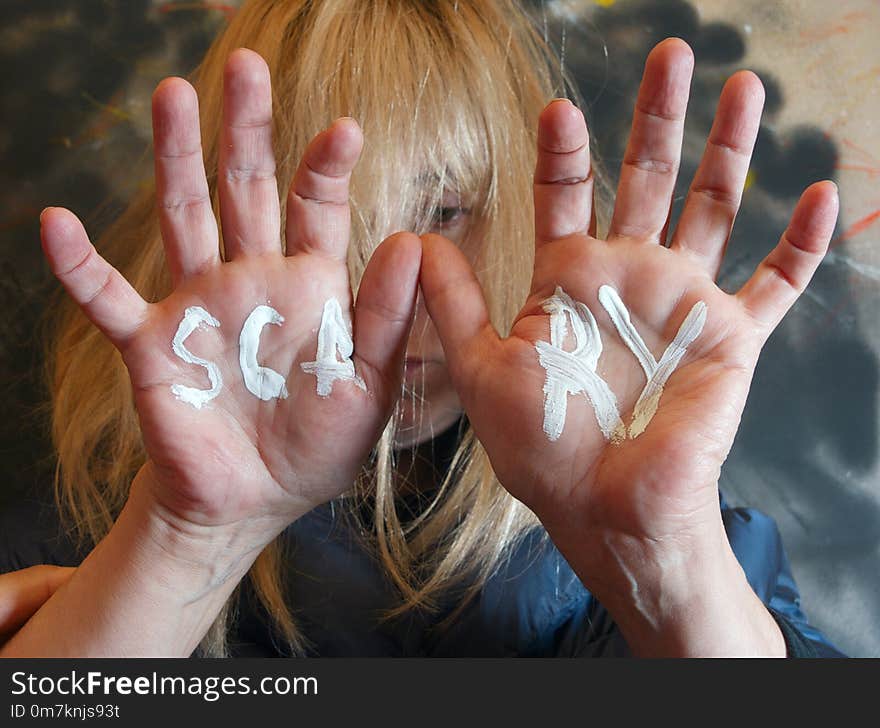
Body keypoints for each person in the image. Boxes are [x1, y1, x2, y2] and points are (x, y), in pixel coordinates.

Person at [0, 0, 843, 657]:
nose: (388, 299)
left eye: (443, 210)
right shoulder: (98, 513)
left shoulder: (647, 478)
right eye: (326, 229)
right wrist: (186, 541)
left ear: (519, 209)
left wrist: (664, 564)